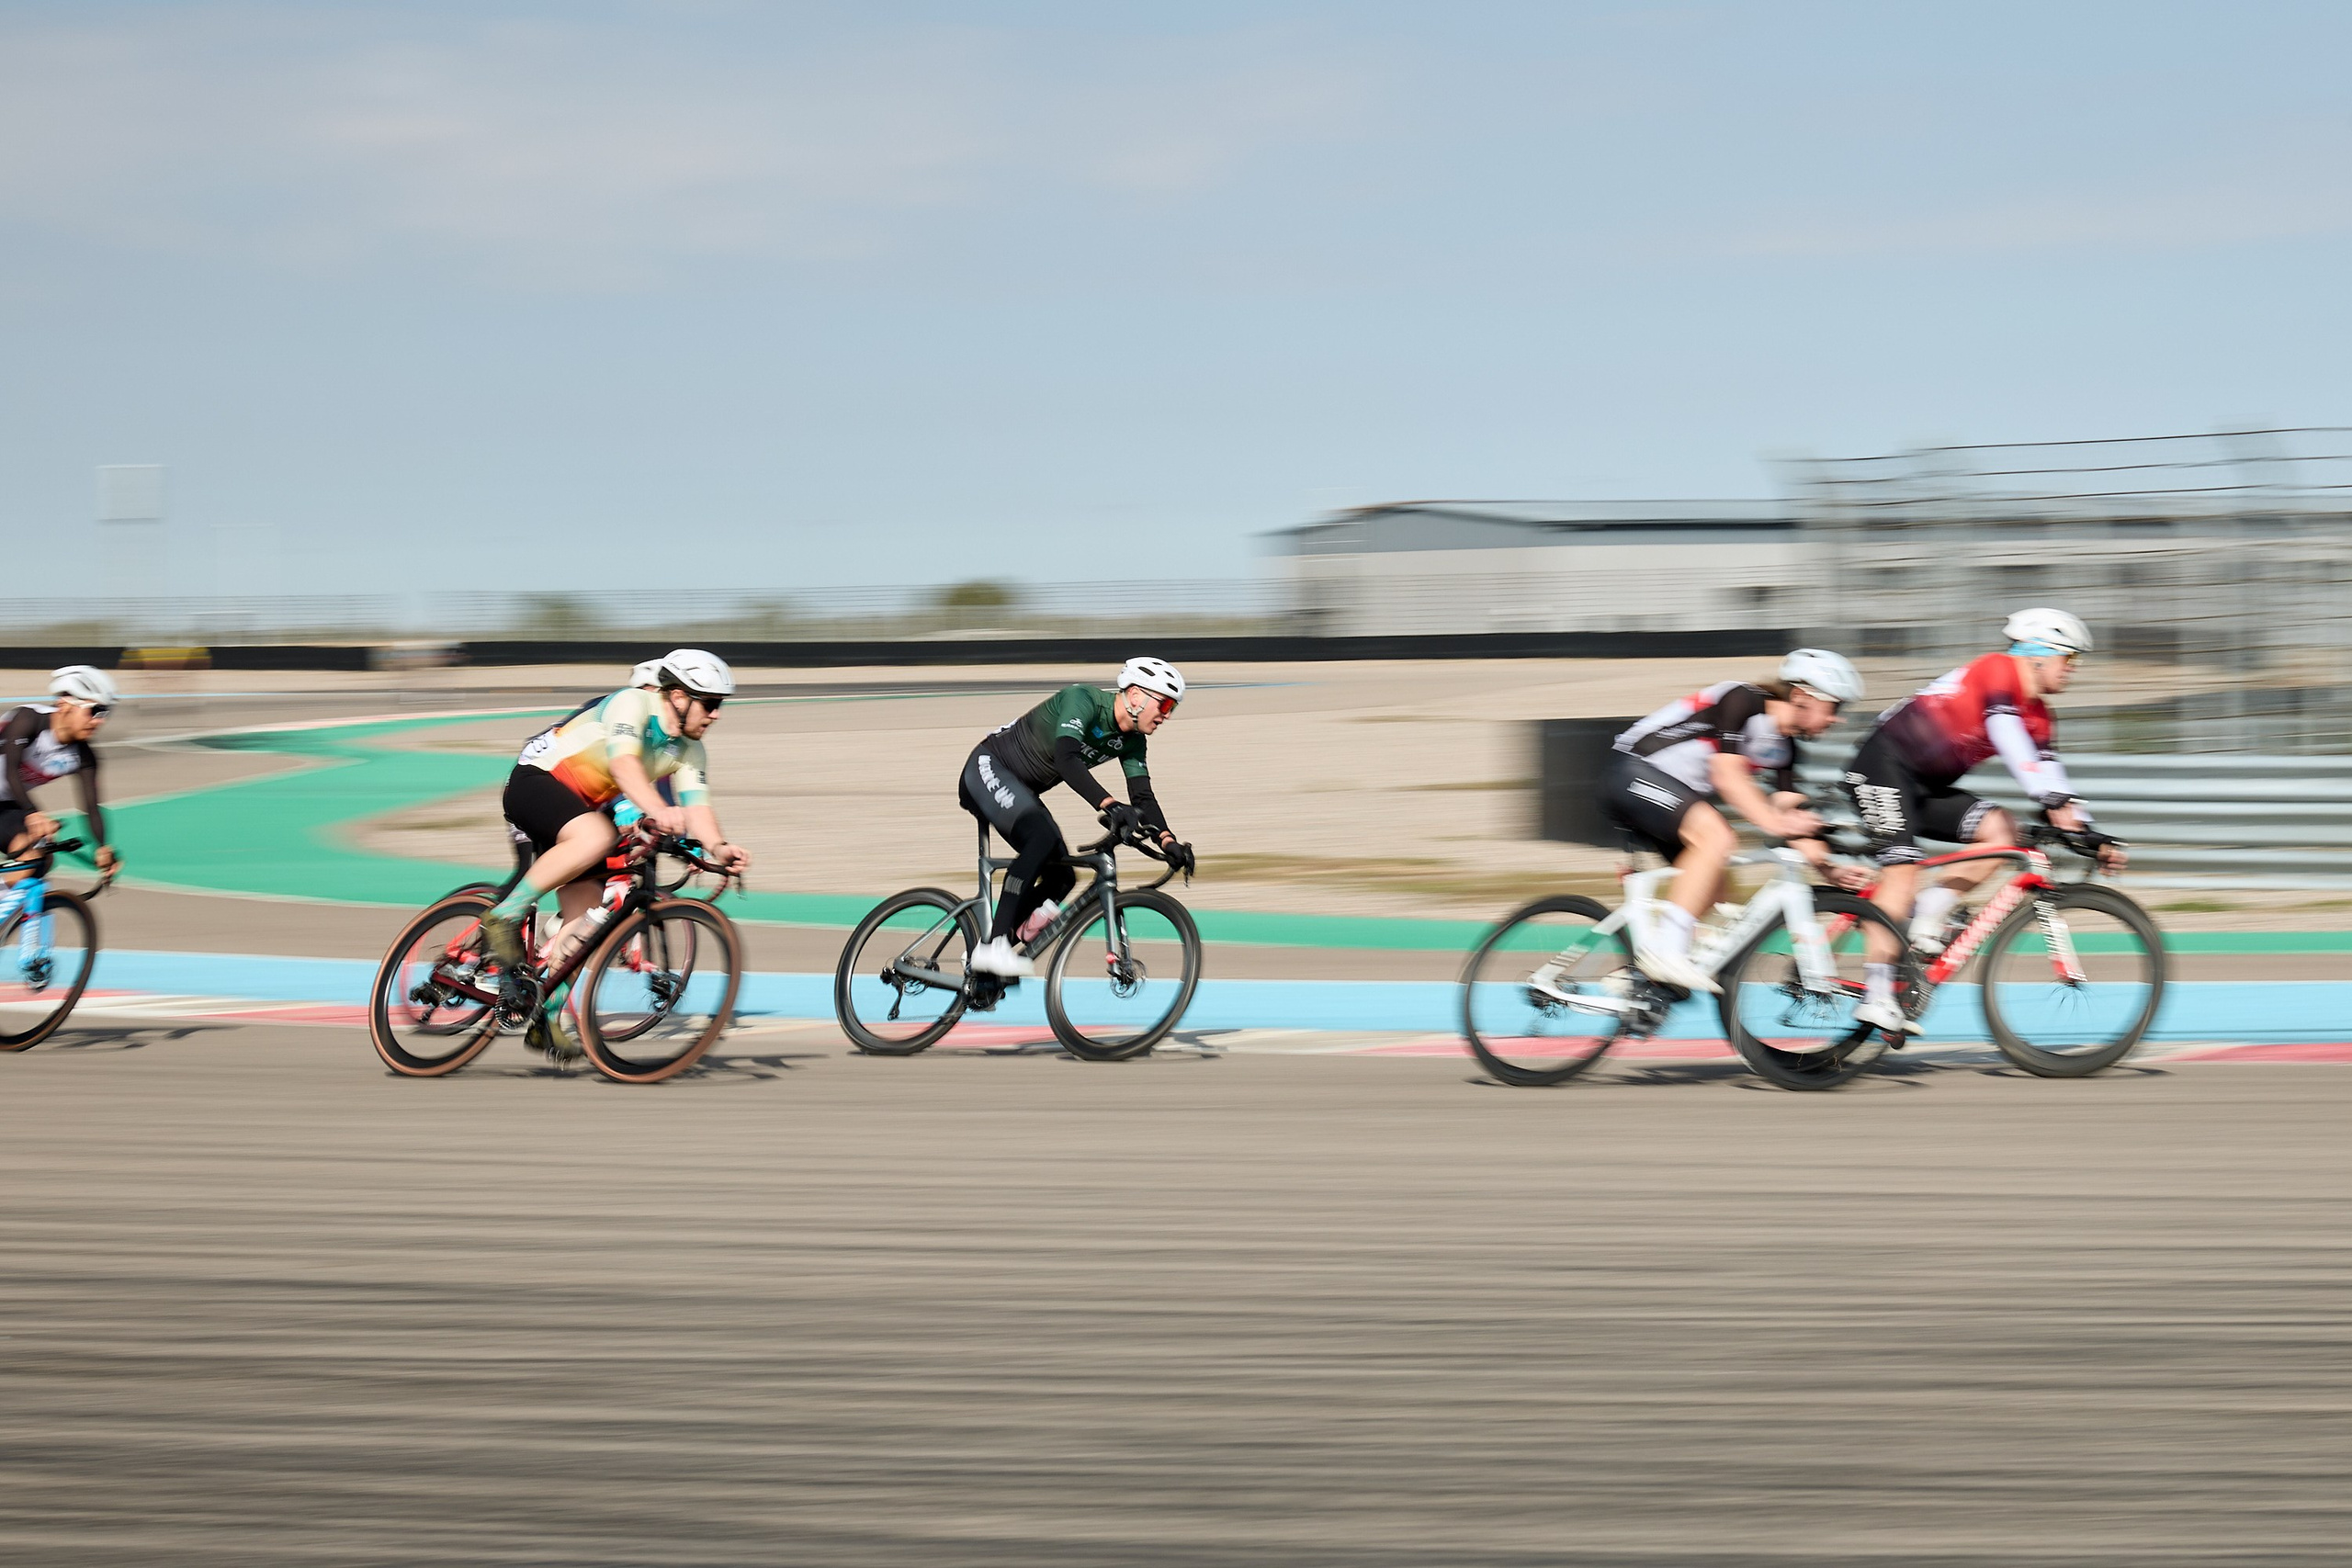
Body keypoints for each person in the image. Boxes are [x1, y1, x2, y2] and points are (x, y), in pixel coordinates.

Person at [1840, 607, 2123, 1034]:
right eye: (2071, 658)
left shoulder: (2042, 716)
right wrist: (2049, 797)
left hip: (1923, 786)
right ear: (2040, 654)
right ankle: (1877, 995)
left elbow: (2052, 774)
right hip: (1881, 766)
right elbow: (2008, 736)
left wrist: (2088, 831)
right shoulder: (1997, 668)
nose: (2073, 670)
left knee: (2003, 831)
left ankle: (1925, 917)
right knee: (1902, 874)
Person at [480, 649, 751, 1010]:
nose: (716, 714)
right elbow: (624, 765)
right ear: (679, 697)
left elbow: (698, 807)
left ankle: (549, 1015)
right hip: (537, 780)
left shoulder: (690, 750)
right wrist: (657, 809)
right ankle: (503, 917)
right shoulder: (633, 704)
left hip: (581, 808)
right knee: (597, 836)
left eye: (721, 705)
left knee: (585, 924)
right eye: (711, 703)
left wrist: (719, 847)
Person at [1600, 649, 1868, 993]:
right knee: (1718, 837)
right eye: (1835, 707)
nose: (1837, 719)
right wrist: (1774, 822)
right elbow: (1727, 775)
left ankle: (1638, 979)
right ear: (1801, 696)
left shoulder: (1787, 749)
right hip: (1631, 772)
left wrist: (1828, 867)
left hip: (1670, 793)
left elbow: (1790, 814)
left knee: (1719, 893)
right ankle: (1663, 951)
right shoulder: (1742, 699)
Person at [959, 657, 1195, 978]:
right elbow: (1066, 759)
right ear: (1137, 696)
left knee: (1063, 877)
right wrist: (1110, 804)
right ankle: (993, 948)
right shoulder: (1082, 700)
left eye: (1173, 708)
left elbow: (1142, 797)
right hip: (988, 767)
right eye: (1165, 704)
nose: (1166, 715)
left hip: (1021, 790)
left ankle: (985, 955)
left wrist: (1168, 841)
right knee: (1040, 839)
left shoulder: (1132, 740)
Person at [0, 666, 123, 886]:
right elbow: (11, 771)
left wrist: (102, 847)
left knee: (39, 858)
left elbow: (91, 808)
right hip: (11, 799)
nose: (100, 720)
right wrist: (32, 813)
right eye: (95, 710)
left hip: (6, 804)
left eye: (106, 713)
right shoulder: (29, 720)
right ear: (65, 704)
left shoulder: (84, 757)